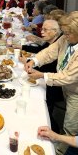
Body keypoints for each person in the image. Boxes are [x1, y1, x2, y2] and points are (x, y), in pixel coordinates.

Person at [25, 11, 78, 155]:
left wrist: (42, 75)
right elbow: (50, 52)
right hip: (66, 88)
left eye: (68, 33)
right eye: (64, 32)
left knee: (70, 124)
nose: (65, 36)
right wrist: (34, 60)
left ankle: (61, 151)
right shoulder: (66, 38)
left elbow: (67, 76)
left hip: (76, 92)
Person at [17, 20, 64, 133]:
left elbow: (49, 68)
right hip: (49, 78)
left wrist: (27, 61)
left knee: (39, 106)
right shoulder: (52, 42)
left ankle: (50, 125)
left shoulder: (60, 43)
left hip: (56, 86)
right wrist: (31, 60)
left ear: (55, 32)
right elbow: (42, 52)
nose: (41, 31)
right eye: (42, 28)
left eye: (45, 29)